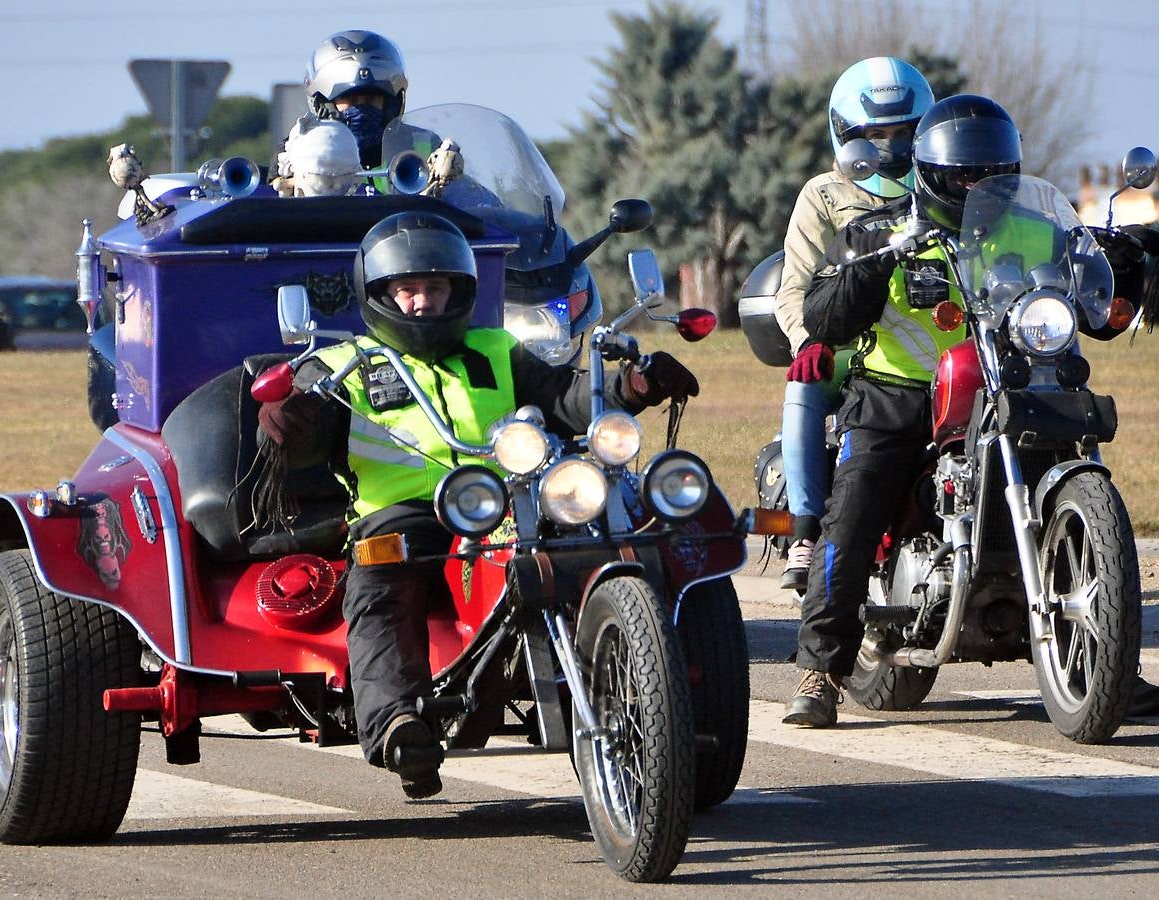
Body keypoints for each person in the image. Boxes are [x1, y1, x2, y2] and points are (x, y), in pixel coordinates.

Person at [256, 211, 699, 794]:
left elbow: (563, 398)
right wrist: (286, 419)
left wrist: (630, 387)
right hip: (401, 515)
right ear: (381, 293)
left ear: (458, 290)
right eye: (408, 290)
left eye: (434, 288)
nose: (421, 303)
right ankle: (398, 724)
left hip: (507, 504)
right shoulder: (344, 363)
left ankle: (657, 678)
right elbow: (292, 443)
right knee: (379, 590)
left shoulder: (496, 348)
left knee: (608, 537)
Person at [784, 94, 1151, 727]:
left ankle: (1109, 662)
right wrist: (872, 264)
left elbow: (1093, 303)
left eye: (993, 174)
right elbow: (823, 315)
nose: (978, 185)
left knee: (1075, 432)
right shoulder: (884, 228)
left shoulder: (1036, 228)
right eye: (964, 175)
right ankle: (820, 670)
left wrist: (1116, 263)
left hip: (1010, 381)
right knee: (854, 507)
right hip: (899, 395)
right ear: (930, 172)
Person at [774, 58, 934, 593]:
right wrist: (807, 341)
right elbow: (792, 290)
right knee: (804, 384)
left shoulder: (945, 185)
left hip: (937, 335)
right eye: (875, 135)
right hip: (850, 339)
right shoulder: (824, 194)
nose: (890, 147)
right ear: (845, 134)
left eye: (904, 132)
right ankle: (804, 526)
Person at [271, 29, 441, 195]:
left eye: (372, 99)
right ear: (323, 105)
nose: (361, 108)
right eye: (350, 100)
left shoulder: (425, 146)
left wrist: (449, 178)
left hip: (404, 224)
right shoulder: (295, 153)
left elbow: (463, 201)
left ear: (392, 104)